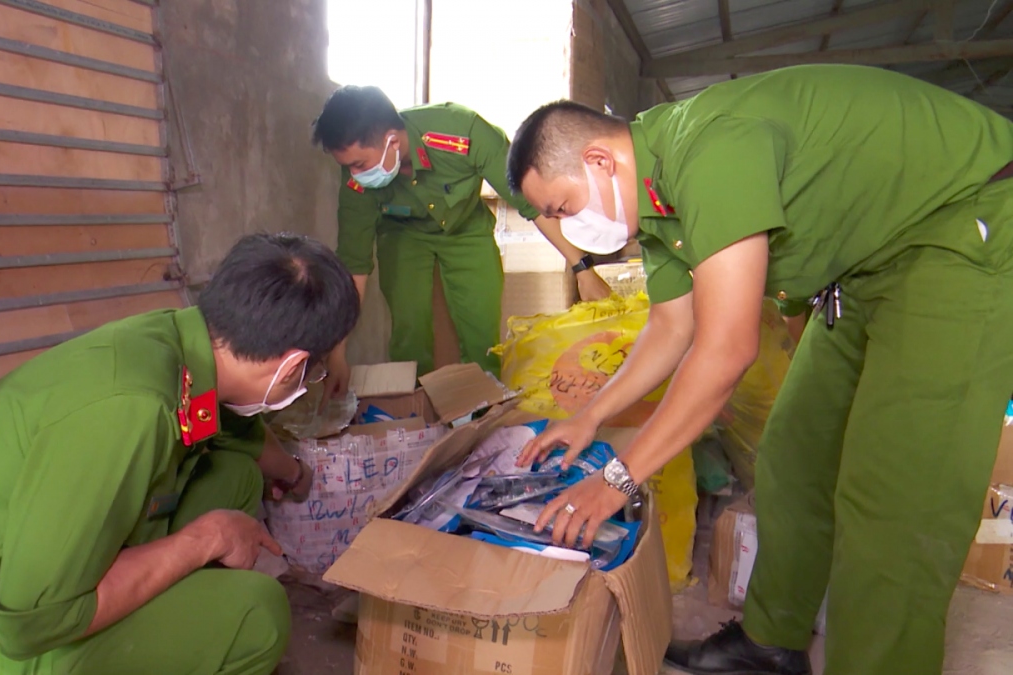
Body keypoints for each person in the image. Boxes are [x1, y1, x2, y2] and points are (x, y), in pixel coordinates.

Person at [505, 64, 1013, 675]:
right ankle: (774, 642)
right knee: (794, 457)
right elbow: (671, 329)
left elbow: (725, 351)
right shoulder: (660, 206)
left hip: (962, 232)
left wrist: (619, 477)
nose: (569, 228)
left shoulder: (710, 150)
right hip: (867, 264)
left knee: (895, 499)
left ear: (600, 161)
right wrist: (590, 417)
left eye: (563, 206)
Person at [0, 233, 360, 675]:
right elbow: (33, 622)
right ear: (293, 364)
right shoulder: (131, 410)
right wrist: (202, 541)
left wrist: (293, 474)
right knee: (257, 612)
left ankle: (173, 620)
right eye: (312, 372)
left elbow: (238, 433)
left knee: (232, 477)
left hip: (22, 588)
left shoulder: (173, 343)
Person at [311, 85, 612, 392]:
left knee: (481, 330)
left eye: (359, 165)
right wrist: (337, 353)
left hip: (466, 228)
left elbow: (533, 204)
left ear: (391, 139)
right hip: (402, 234)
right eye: (347, 167)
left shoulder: (463, 134)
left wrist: (583, 268)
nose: (354, 174)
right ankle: (416, 411)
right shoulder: (356, 182)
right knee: (409, 331)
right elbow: (355, 264)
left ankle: (484, 411)